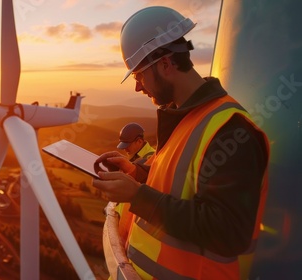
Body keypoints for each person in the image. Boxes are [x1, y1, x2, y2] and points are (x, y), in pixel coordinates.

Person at [92, 6, 269, 280]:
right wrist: (136, 173)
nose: (138, 87)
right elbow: (182, 183)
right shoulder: (185, 117)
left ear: (166, 64)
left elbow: (228, 231)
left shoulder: (232, 131)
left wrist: (137, 196)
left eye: (139, 75)